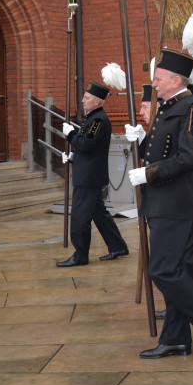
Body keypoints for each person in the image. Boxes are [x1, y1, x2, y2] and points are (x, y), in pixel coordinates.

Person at [126, 50, 193, 358]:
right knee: (176, 267)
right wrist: (143, 140)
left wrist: (148, 173)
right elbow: (163, 150)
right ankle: (175, 338)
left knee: (162, 270)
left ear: (175, 80)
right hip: (164, 201)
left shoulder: (192, 108)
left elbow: (189, 157)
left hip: (179, 201)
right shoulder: (170, 106)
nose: (154, 84)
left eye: (158, 79)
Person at [56, 81, 129, 268]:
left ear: (97, 101)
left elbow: (85, 144)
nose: (82, 100)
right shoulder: (92, 118)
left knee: (80, 216)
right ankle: (118, 246)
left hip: (89, 178)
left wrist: (71, 134)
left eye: (87, 98)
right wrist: (72, 156)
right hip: (89, 173)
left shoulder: (98, 120)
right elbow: (87, 148)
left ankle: (80, 255)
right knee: (100, 214)